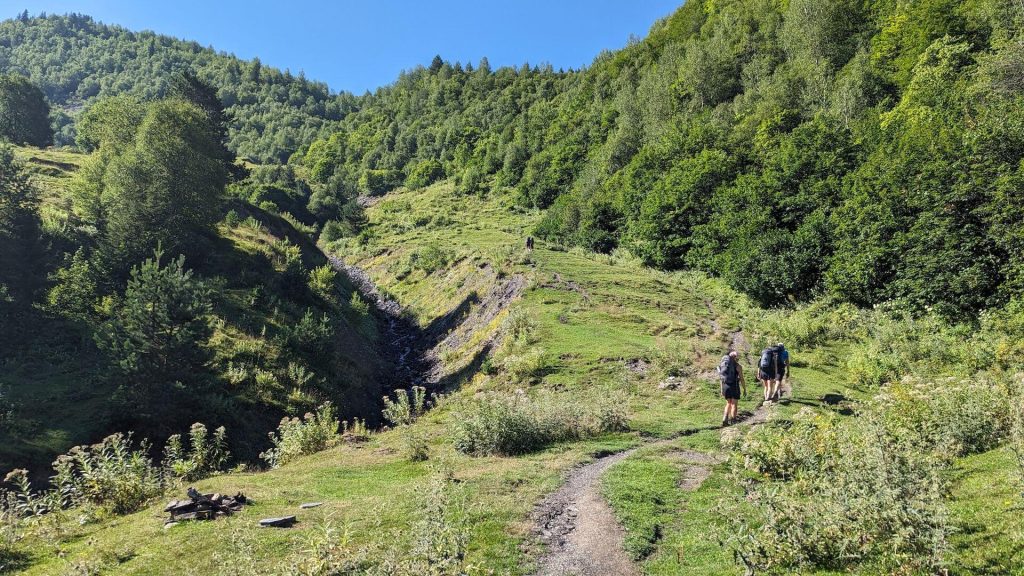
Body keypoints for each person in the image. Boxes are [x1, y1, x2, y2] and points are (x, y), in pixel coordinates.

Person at [718, 351, 744, 426]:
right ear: (735, 358)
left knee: (728, 403)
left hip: (725, 386)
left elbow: (721, 378)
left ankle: (725, 419)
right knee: (734, 404)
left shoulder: (724, 365)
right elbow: (742, 379)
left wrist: (721, 389)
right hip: (734, 386)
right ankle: (733, 421)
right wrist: (744, 389)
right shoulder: (738, 366)